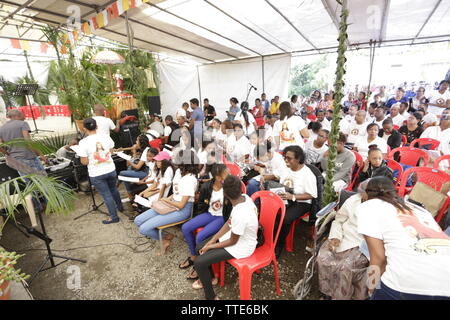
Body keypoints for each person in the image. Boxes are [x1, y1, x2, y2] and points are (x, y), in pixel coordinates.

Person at [357, 176, 450, 300]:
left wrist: (371, 286)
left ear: (367, 195)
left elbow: (378, 258)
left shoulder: (368, 206)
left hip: (406, 283)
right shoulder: (418, 209)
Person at [193, 175, 258, 300]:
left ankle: (210, 296)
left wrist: (211, 246)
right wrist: (212, 240)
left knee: (199, 262)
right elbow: (229, 222)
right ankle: (211, 278)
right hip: (235, 237)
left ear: (225, 194)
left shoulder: (241, 213)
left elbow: (233, 241)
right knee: (199, 247)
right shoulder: (244, 198)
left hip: (241, 246)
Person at [134, 149, 199, 254]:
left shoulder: (190, 179)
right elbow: (177, 192)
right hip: (171, 203)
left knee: (144, 229)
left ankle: (164, 240)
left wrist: (166, 201)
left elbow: (182, 205)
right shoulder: (179, 172)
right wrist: (166, 200)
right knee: (138, 221)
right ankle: (165, 237)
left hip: (181, 210)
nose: (174, 159)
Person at [317, 183, 370, 300]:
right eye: (361, 192)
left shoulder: (381, 209)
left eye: (365, 193)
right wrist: (335, 237)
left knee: (345, 268)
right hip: (344, 235)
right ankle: (327, 291)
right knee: (323, 258)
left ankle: (340, 296)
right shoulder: (353, 200)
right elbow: (339, 219)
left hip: (362, 242)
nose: (361, 195)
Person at [179, 164, 231, 281]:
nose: (230, 174)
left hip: (221, 217)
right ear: (218, 177)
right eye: (227, 173)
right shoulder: (206, 187)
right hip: (209, 214)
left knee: (200, 237)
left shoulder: (229, 186)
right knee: (186, 227)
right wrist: (200, 219)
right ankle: (193, 256)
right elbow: (202, 204)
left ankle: (200, 265)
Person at [77, 118, 124, 224]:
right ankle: (120, 207)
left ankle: (114, 217)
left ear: (84, 129)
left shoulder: (83, 143)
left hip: (97, 173)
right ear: (97, 126)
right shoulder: (106, 137)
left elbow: (84, 162)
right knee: (113, 189)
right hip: (110, 169)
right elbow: (111, 151)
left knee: (106, 195)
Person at [0, 109, 48, 211]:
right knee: (43, 181)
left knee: (29, 184)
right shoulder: (23, 124)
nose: (24, 116)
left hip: (16, 161)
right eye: (23, 114)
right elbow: (28, 141)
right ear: (17, 116)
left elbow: (0, 145)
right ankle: (51, 204)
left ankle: (37, 208)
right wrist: (40, 154)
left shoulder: (1, 129)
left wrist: (7, 153)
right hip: (28, 157)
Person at [276, 145, 317, 258]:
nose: (286, 160)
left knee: (285, 219)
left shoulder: (307, 174)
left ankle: (279, 244)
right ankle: (267, 238)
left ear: (298, 159)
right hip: (285, 197)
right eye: (284, 157)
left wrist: (293, 197)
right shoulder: (285, 168)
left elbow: (311, 195)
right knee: (267, 211)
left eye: (289, 158)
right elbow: (278, 178)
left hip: (301, 202)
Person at [135, 152, 174, 216]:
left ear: (165, 162)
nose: (156, 163)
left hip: (160, 194)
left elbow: (163, 187)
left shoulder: (168, 170)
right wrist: (142, 193)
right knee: (139, 195)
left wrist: (158, 200)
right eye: (156, 161)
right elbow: (154, 184)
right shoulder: (161, 169)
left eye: (159, 161)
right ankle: (140, 212)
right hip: (157, 191)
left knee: (143, 201)